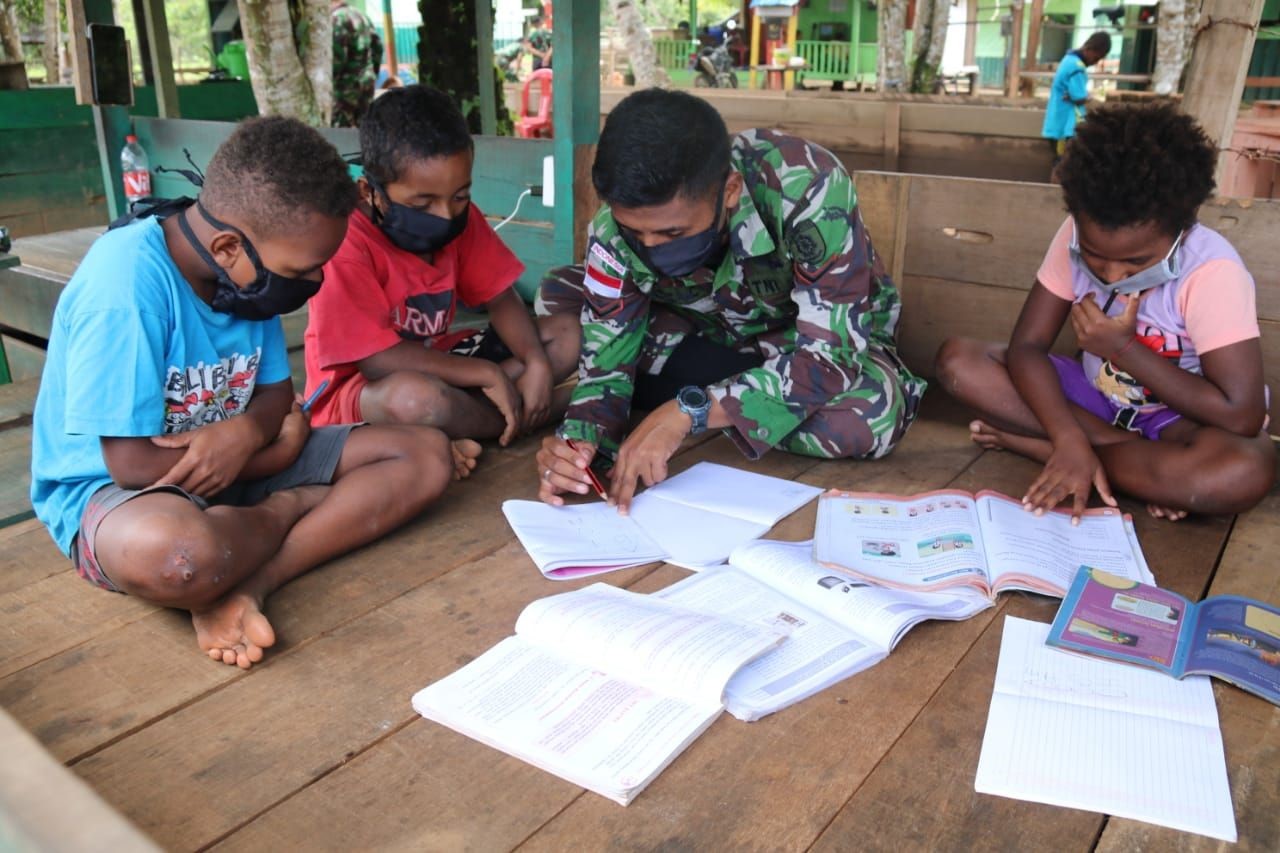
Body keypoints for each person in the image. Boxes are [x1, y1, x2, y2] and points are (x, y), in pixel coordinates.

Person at [30, 117, 458, 670]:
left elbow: (277, 396)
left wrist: (246, 433)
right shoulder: (126, 287)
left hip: (234, 464)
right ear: (229, 246)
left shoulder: (245, 279)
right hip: (119, 491)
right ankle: (291, 512)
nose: (314, 284)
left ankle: (252, 580)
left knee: (424, 454)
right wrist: (278, 461)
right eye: (303, 271)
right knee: (180, 557)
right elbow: (133, 465)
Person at [535, 88, 926, 512]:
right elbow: (604, 369)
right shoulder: (614, 230)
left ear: (731, 190)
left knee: (870, 419)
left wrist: (692, 410)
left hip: (803, 347)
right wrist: (580, 446)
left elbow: (832, 354)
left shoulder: (805, 183)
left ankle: (692, 395)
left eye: (672, 234)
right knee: (557, 295)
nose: (649, 246)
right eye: (635, 232)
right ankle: (723, 394)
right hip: (702, 329)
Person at [936, 102, 1274, 522]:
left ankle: (1040, 447)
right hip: (1096, 404)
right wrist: (1067, 434)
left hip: (1178, 423)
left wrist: (1123, 348)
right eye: (1095, 258)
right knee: (961, 363)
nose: (1112, 274)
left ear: (1181, 231)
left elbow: (1239, 415)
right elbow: (1027, 347)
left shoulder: (1212, 272)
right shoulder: (1074, 234)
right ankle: (1093, 457)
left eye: (1135, 263)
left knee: (1241, 471)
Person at [303, 85, 578, 445]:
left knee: (568, 335)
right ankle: (522, 416)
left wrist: (536, 362)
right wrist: (486, 374)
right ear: (370, 192)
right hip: (360, 394)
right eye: (421, 204)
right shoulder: (345, 240)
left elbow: (500, 297)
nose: (446, 215)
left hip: (441, 360)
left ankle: (481, 418)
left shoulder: (460, 217)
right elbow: (377, 361)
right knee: (417, 400)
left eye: (460, 196)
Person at [1042, 32, 1111, 171]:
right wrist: (1088, 96)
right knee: (1066, 166)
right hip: (1066, 126)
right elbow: (1079, 97)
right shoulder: (1077, 68)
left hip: (1056, 123)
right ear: (1089, 49)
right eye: (1096, 57)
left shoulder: (1068, 59)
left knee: (1061, 162)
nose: (1095, 62)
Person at [331, 0, 383, 127]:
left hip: (345, 88)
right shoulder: (362, 16)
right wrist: (372, 72)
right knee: (365, 129)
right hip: (366, 82)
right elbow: (378, 48)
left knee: (342, 132)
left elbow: (337, 57)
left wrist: (331, 83)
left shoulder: (337, 18)